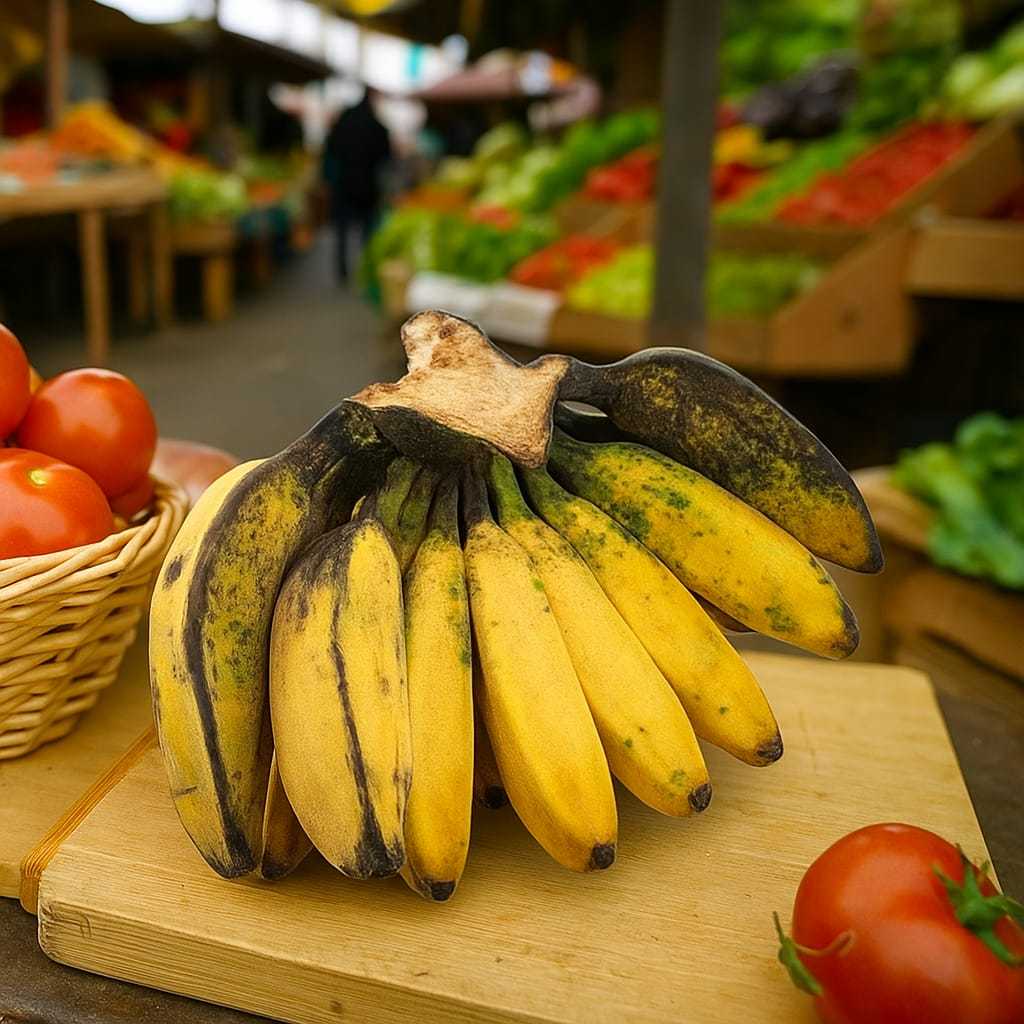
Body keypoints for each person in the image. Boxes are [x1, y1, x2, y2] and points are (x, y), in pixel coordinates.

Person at [322, 88, 392, 283]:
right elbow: (386, 155)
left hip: (343, 183)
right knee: (367, 231)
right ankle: (366, 270)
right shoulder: (376, 125)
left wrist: (328, 179)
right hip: (368, 185)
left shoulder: (344, 121)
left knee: (342, 231)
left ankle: (342, 271)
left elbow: (330, 149)